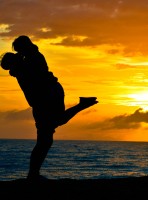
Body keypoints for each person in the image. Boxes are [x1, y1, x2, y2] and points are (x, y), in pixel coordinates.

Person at [0, 35, 98, 180]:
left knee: (46, 137)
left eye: (19, 50)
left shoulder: (29, 61)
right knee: (48, 135)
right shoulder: (27, 60)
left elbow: (26, 72)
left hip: (47, 98)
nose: (18, 52)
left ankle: (33, 174)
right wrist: (17, 61)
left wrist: (17, 61)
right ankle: (33, 174)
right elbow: (10, 66)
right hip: (46, 98)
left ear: (23, 48)